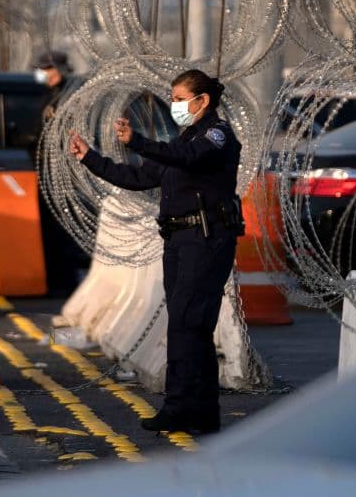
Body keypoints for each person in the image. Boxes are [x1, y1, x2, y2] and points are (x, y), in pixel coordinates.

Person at [69, 69, 243, 434]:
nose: (175, 105)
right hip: (179, 241)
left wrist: (138, 141)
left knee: (188, 323)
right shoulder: (181, 142)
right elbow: (136, 177)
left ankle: (181, 407)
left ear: (203, 101)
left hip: (207, 238)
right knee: (190, 326)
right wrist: (90, 158)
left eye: (180, 99)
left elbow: (192, 157)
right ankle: (202, 411)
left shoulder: (216, 135)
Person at [31, 50, 87, 293]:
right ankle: (55, 279)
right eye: (43, 71)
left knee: (61, 227)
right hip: (47, 168)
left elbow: (70, 132)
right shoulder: (51, 94)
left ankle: (64, 282)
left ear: (62, 69)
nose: (46, 75)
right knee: (50, 231)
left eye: (50, 70)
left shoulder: (70, 95)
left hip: (61, 169)